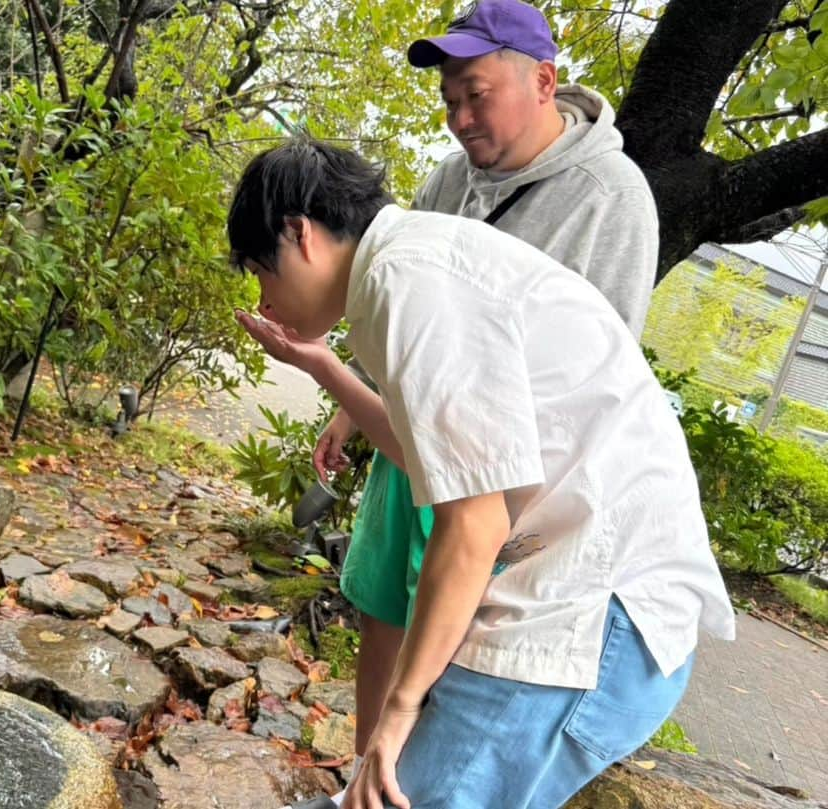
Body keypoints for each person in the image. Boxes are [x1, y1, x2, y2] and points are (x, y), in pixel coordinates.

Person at [228, 137, 734, 809]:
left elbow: (473, 523)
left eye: (263, 272)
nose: (264, 299)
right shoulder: (411, 264)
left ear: (302, 233)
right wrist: (322, 366)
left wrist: (400, 708)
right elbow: (428, 459)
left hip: (596, 614)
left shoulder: (404, 280)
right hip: (583, 599)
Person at [312, 0, 661, 787]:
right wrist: (350, 398)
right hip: (415, 434)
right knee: (382, 603)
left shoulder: (611, 195)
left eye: (475, 93)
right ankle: (367, 771)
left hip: (504, 468)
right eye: (448, 102)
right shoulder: (450, 177)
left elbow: (601, 362)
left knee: (462, 631)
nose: (460, 118)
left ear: (543, 81)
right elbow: (397, 301)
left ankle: (410, 764)